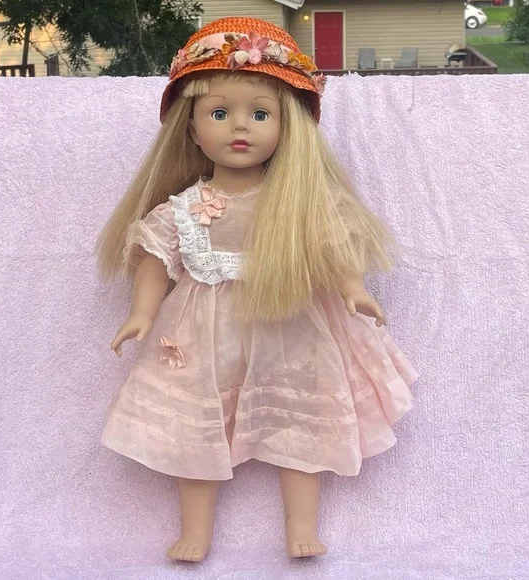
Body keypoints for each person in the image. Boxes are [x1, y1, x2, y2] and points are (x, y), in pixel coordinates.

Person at [96, 16, 418, 562]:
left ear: (288, 127)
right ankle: (194, 531)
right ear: (192, 130)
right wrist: (142, 313)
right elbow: (154, 258)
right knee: (196, 434)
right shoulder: (182, 208)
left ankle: (301, 526)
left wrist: (352, 288)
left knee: (299, 425)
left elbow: (332, 245)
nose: (239, 127)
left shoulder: (297, 203)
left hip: (288, 322)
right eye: (219, 113)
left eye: (261, 114)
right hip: (202, 332)